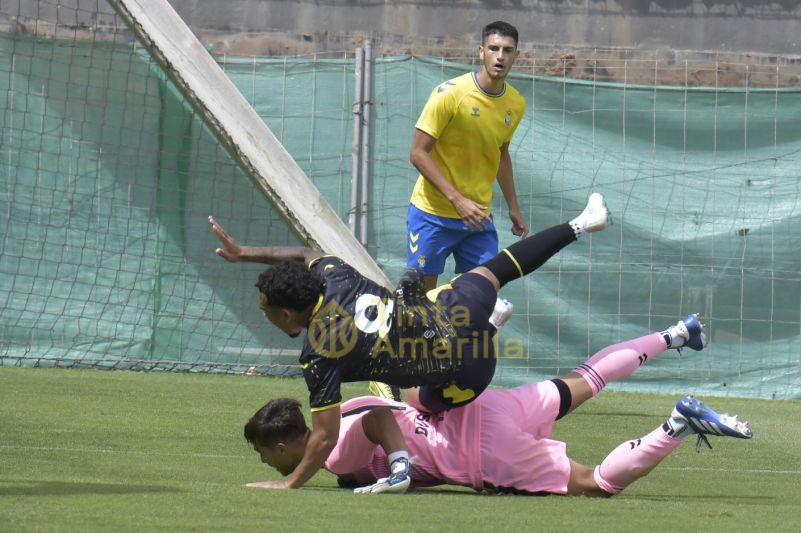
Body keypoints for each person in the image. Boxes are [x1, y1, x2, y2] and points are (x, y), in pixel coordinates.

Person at [209, 192, 609, 489]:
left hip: (466, 373)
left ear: (286, 314)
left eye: (266, 311)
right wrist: (246, 254)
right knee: (494, 270)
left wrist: (290, 482)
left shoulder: (319, 352)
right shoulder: (333, 272)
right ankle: (582, 223)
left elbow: (326, 435)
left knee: (423, 401)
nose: (264, 315)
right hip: (453, 313)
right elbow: (303, 251)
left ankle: (490, 328)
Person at [243, 316, 753, 493]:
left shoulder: (332, 450)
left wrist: (399, 468)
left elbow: (379, 420)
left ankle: (675, 424)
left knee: (595, 483)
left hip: (482, 450)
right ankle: (676, 334)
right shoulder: (350, 406)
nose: (267, 462)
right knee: (586, 377)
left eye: (268, 456)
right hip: (487, 408)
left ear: (287, 444)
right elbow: (393, 404)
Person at [407, 21, 527, 326]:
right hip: (432, 214)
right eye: (494, 49)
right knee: (420, 301)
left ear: (516, 55)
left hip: (478, 218)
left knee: (485, 293)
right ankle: (413, 366)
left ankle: (463, 366)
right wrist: (457, 199)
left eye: (507, 50)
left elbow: (501, 153)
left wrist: (513, 207)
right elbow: (418, 153)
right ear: (481, 52)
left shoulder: (515, 103)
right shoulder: (449, 94)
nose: (500, 56)